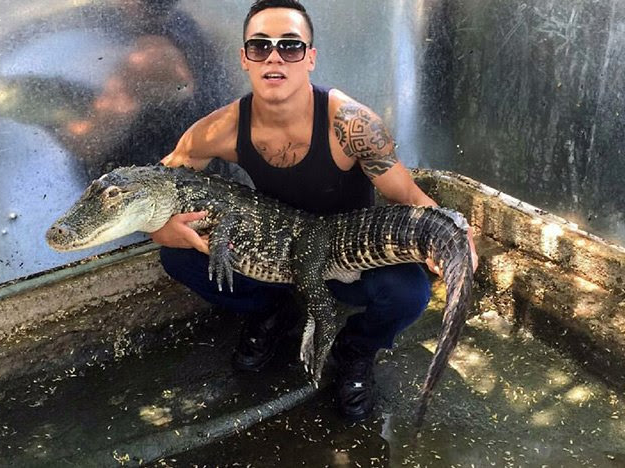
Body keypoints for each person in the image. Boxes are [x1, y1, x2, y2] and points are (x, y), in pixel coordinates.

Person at [153, 0, 478, 422]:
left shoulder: (353, 124)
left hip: (345, 254)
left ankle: (356, 349)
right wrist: (161, 229)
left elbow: (410, 197)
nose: (274, 57)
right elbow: (156, 185)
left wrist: (452, 240)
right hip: (274, 250)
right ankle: (273, 311)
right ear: (245, 58)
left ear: (310, 57)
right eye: (260, 46)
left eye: (290, 46)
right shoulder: (219, 129)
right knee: (177, 256)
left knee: (408, 293)